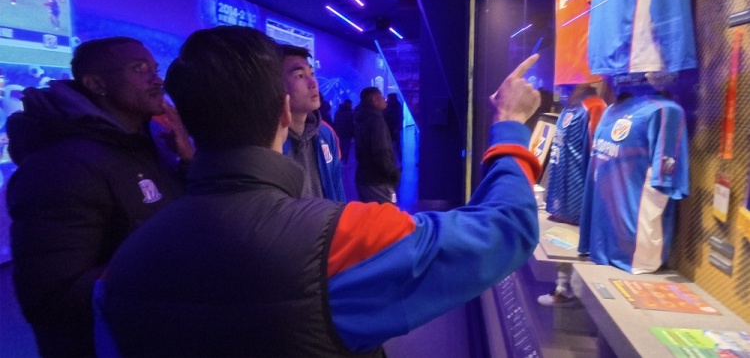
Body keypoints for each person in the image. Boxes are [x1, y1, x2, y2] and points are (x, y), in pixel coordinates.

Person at [94, 26, 542, 356]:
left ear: (184, 121)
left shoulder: (125, 263)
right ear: (283, 111)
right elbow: (505, 229)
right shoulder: (344, 240)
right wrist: (509, 124)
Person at [6, 37, 193, 357]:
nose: (157, 80)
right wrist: (171, 261)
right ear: (96, 84)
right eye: (140, 69)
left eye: (155, 69)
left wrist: (188, 160)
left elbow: (176, 219)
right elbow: (53, 298)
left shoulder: (146, 146)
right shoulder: (60, 166)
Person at [279, 44, 345, 202]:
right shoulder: (269, 141)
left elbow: (338, 193)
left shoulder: (325, 134)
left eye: (312, 73)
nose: (313, 83)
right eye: (300, 76)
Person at [354, 87, 400, 203]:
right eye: (382, 97)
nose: (385, 100)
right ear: (375, 100)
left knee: (370, 213)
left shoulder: (361, 117)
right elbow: (381, 152)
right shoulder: (376, 120)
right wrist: (393, 173)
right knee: (387, 212)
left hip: (364, 177)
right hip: (378, 181)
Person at [383, 93, 403, 163]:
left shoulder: (388, 106)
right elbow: (399, 118)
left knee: (390, 145)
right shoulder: (397, 105)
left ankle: (391, 160)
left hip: (389, 128)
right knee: (397, 145)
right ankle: (398, 160)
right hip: (393, 128)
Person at [333, 99, 355, 164]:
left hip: (339, 132)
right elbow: (351, 125)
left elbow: (335, 122)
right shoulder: (350, 113)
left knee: (341, 146)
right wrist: (353, 133)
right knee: (346, 147)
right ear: (350, 104)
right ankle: (344, 161)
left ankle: (340, 160)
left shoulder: (337, 112)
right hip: (347, 133)